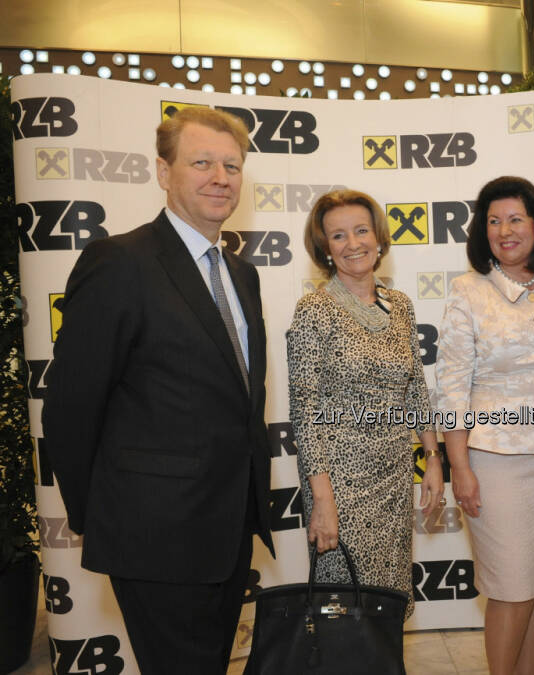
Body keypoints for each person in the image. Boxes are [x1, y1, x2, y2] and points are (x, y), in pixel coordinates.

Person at [43, 107, 275, 673]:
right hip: (153, 533)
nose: (220, 177)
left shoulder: (242, 273)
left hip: (228, 530)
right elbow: (71, 407)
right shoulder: (119, 262)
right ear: (163, 172)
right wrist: (99, 518)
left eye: (231, 165)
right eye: (202, 162)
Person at [435, 176, 534, 675]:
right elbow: (452, 387)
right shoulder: (469, 290)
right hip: (494, 461)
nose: (504, 230)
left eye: (515, 218)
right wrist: (459, 466)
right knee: (510, 587)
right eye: (493, 221)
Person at [287, 189, 444, 619]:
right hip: (338, 486)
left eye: (361, 231)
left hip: (393, 478)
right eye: (338, 236)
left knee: (387, 604)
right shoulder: (314, 310)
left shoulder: (401, 306)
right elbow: (304, 411)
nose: (353, 243)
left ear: (378, 238)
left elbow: (416, 388)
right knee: (343, 608)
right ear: (324, 248)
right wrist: (322, 501)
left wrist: (432, 458)